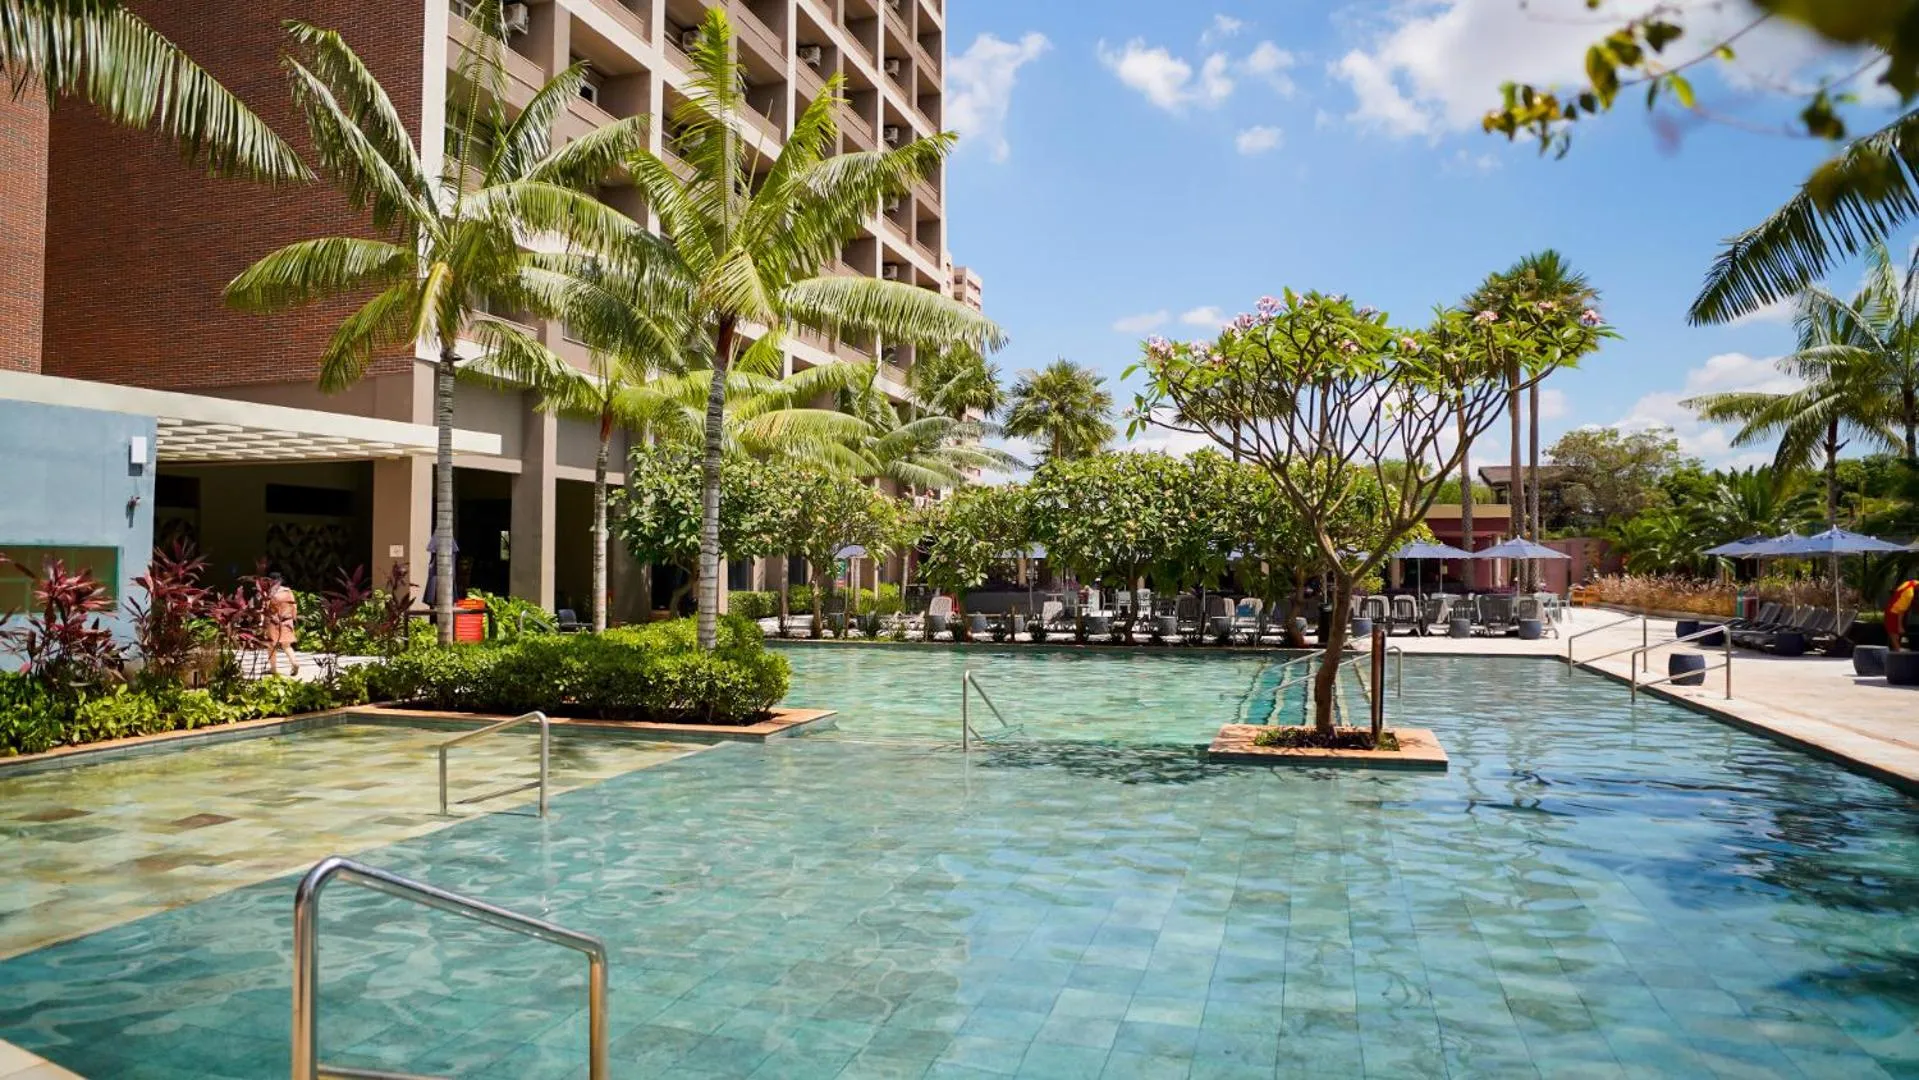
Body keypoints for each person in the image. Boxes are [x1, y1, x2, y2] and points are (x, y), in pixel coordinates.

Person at [265, 573, 300, 676]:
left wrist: (263, 623)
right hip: (287, 621)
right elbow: (294, 607)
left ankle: (273, 669)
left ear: (270, 581)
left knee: (271, 645)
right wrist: (293, 618)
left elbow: (266, 609)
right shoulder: (288, 591)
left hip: (274, 622)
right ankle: (294, 663)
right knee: (286, 645)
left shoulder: (270, 593)